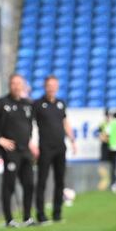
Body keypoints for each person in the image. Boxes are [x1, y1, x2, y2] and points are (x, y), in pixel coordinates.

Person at [0, 74, 36, 227]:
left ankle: (27, 217)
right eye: (13, 83)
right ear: (9, 85)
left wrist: (30, 140)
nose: (16, 86)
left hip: (25, 150)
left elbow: (29, 125)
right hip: (10, 151)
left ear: (23, 86)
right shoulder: (2, 102)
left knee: (29, 184)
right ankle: (9, 220)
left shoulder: (28, 104)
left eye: (19, 83)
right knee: (9, 184)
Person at [33, 75, 76, 223]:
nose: (51, 88)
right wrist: (31, 144)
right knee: (42, 181)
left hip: (60, 148)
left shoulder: (60, 103)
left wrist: (72, 139)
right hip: (45, 148)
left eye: (54, 85)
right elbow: (29, 124)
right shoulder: (37, 104)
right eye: (49, 85)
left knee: (60, 181)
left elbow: (65, 122)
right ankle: (41, 215)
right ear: (45, 87)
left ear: (57, 87)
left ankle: (57, 213)